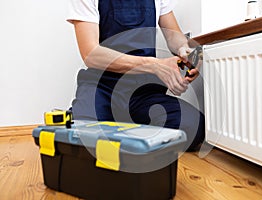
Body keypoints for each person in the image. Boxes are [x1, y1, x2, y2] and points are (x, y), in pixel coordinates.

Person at [67, 0, 205, 151]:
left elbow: (174, 37)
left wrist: (186, 51)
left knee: (193, 126)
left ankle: (119, 130)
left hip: (143, 92)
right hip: (101, 89)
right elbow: (91, 54)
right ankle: (121, 127)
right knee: (82, 136)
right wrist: (153, 65)